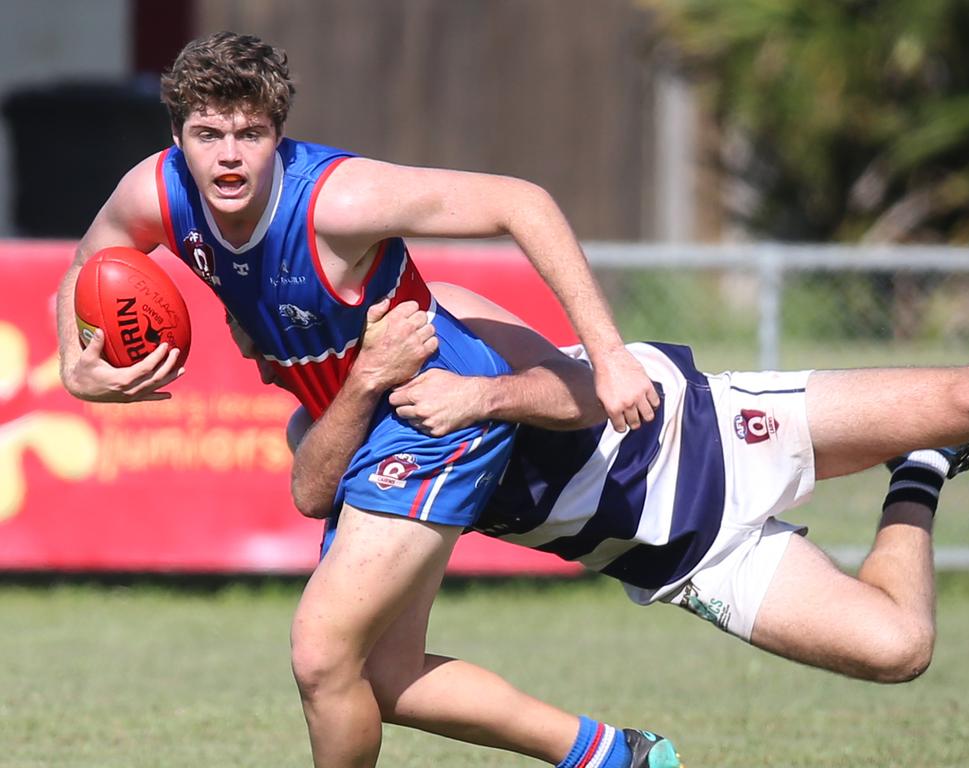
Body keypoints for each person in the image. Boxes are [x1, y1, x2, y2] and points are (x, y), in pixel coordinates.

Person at [55, 30, 676, 768]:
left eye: (250, 134)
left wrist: (607, 354)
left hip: (428, 411)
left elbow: (522, 202)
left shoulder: (336, 201)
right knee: (385, 677)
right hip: (353, 419)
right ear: (178, 135)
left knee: (321, 655)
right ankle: (614, 757)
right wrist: (74, 362)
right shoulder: (155, 191)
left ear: (278, 136)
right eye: (208, 133)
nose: (228, 155)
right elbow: (90, 261)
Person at [289, 282, 969, 696]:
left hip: (707, 431)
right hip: (686, 558)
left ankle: (936, 434)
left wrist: (480, 399)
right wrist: (359, 390)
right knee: (898, 648)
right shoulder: (328, 428)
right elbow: (312, 493)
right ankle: (924, 466)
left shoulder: (438, 308)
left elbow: (581, 392)